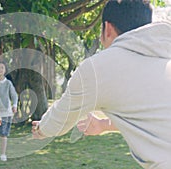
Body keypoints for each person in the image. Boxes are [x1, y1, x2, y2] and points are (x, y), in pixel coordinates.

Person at [32, 0, 171, 168]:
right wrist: (103, 125)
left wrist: (42, 128)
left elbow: (59, 121)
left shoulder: (98, 69)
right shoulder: (164, 55)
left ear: (108, 29)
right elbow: (155, 115)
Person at [0, 61, 18, 162]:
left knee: (4, 134)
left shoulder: (8, 83)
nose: (0, 70)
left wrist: (14, 105)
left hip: (6, 113)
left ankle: (3, 154)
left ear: (5, 70)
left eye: (2, 68)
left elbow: (14, 95)